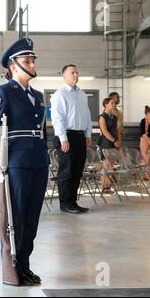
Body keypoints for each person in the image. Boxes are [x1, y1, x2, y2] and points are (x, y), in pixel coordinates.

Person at [0, 38, 49, 286]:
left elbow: (42, 131)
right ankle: (12, 268)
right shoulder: (4, 92)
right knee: (15, 217)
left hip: (38, 160)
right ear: (13, 66)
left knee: (31, 217)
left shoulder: (39, 96)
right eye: (26, 61)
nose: (32, 64)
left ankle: (24, 265)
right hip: (17, 161)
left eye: (32, 60)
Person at [51, 64, 92, 214]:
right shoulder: (60, 94)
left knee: (77, 171)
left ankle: (73, 202)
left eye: (77, 72)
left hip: (79, 136)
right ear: (64, 76)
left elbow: (87, 115)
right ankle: (65, 203)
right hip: (66, 136)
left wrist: (88, 134)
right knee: (66, 172)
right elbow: (58, 118)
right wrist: (63, 138)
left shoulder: (81, 93)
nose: (76, 75)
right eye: (72, 72)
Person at [97, 97, 121, 194]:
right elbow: (105, 131)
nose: (114, 104)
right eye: (112, 103)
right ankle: (104, 187)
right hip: (106, 142)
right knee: (106, 165)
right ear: (106, 104)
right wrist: (114, 140)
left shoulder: (114, 117)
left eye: (114, 103)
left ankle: (108, 186)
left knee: (111, 165)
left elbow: (117, 130)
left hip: (114, 142)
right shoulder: (102, 116)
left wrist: (118, 140)